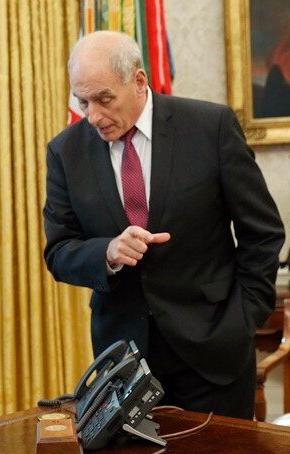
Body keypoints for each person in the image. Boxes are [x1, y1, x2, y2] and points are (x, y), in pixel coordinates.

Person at [43, 31, 285, 420]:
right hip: (124, 363)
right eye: (82, 101)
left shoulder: (211, 128)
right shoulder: (65, 152)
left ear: (139, 81)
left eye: (104, 99)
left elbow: (263, 232)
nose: (94, 116)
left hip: (214, 354)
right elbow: (58, 251)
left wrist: (243, 319)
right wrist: (106, 252)